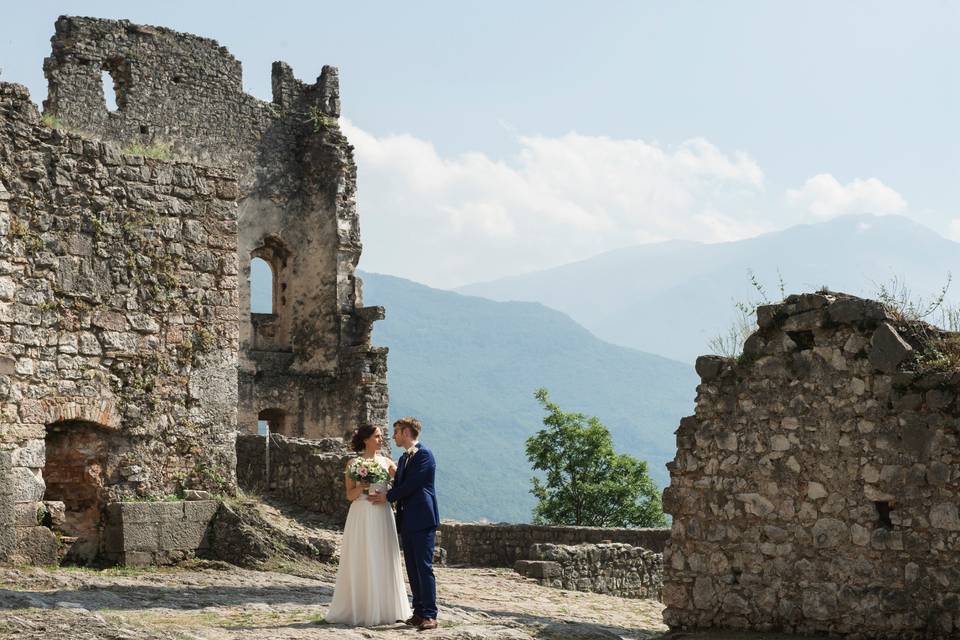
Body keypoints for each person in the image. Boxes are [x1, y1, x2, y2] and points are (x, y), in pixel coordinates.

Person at [325, 425, 412, 626]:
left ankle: (386, 608)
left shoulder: (387, 462)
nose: (381, 439)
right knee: (362, 555)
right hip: (361, 512)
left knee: (383, 556)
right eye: (377, 436)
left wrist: (388, 494)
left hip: (382, 512)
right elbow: (349, 495)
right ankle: (361, 608)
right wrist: (363, 486)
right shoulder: (353, 463)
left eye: (381, 436)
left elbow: (402, 484)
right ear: (366, 439)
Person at [368, 416, 440, 631]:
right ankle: (418, 612)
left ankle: (430, 614)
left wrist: (387, 497)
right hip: (407, 519)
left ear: (407, 432)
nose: (394, 436)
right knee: (412, 566)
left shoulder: (424, 455)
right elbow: (399, 482)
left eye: (397, 432)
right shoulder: (404, 458)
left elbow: (413, 484)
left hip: (422, 517)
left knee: (424, 567)